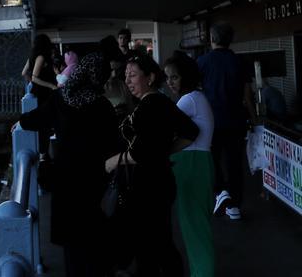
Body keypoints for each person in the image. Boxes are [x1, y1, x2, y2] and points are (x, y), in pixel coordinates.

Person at [18, 53, 117, 277]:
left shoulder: (62, 98)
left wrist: (20, 122)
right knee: (92, 236)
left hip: (65, 177)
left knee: (72, 244)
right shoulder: (102, 105)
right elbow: (114, 143)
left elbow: (37, 118)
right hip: (94, 178)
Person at [104, 54, 199, 277]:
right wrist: (163, 152)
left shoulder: (151, 105)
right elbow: (190, 132)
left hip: (147, 186)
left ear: (151, 77)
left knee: (151, 244)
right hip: (156, 181)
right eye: (126, 75)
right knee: (157, 241)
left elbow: (143, 150)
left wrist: (113, 162)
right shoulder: (159, 101)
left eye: (133, 75)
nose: (127, 80)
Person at [197, 22, 256, 222]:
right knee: (234, 163)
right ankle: (234, 206)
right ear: (231, 40)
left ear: (212, 39)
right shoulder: (240, 62)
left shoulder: (202, 62)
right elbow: (248, 95)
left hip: (210, 122)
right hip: (236, 121)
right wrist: (254, 119)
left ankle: (220, 192)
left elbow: (197, 93)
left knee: (212, 161)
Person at [165, 52, 216, 277]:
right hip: (198, 164)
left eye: (174, 77)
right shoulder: (197, 98)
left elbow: (163, 127)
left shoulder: (189, 100)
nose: (170, 82)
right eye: (168, 77)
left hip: (191, 166)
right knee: (197, 230)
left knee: (195, 232)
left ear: (185, 77)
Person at [22, 34, 58, 104]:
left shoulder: (32, 56)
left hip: (38, 90)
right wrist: (52, 86)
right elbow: (35, 78)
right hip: (44, 91)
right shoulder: (41, 57)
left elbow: (24, 73)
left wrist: (33, 82)